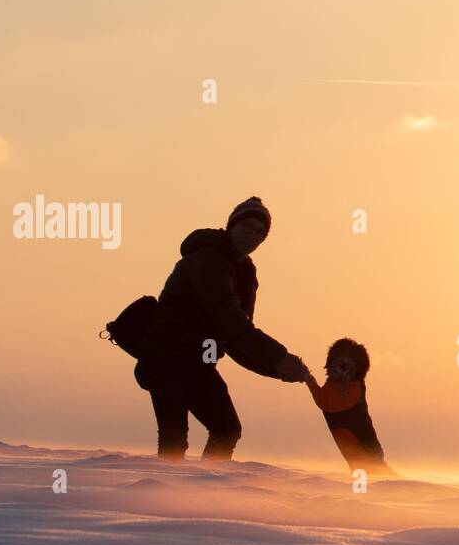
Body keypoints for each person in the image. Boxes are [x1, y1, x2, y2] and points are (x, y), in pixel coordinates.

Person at [134, 196, 308, 460]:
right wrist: (279, 358)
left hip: (199, 362)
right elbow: (230, 320)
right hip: (165, 358)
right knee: (174, 438)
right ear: (231, 225)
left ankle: (206, 495)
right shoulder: (209, 258)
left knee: (226, 430)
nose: (253, 236)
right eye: (248, 227)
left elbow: (235, 338)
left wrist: (278, 369)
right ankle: (163, 499)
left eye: (260, 233)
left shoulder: (246, 272)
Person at [303, 337, 395, 475]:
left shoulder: (353, 389)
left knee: (374, 479)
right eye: (340, 360)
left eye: (348, 363)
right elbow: (326, 400)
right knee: (376, 479)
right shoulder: (338, 387)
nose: (343, 367)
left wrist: (306, 377)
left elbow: (327, 403)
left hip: (366, 452)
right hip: (365, 454)